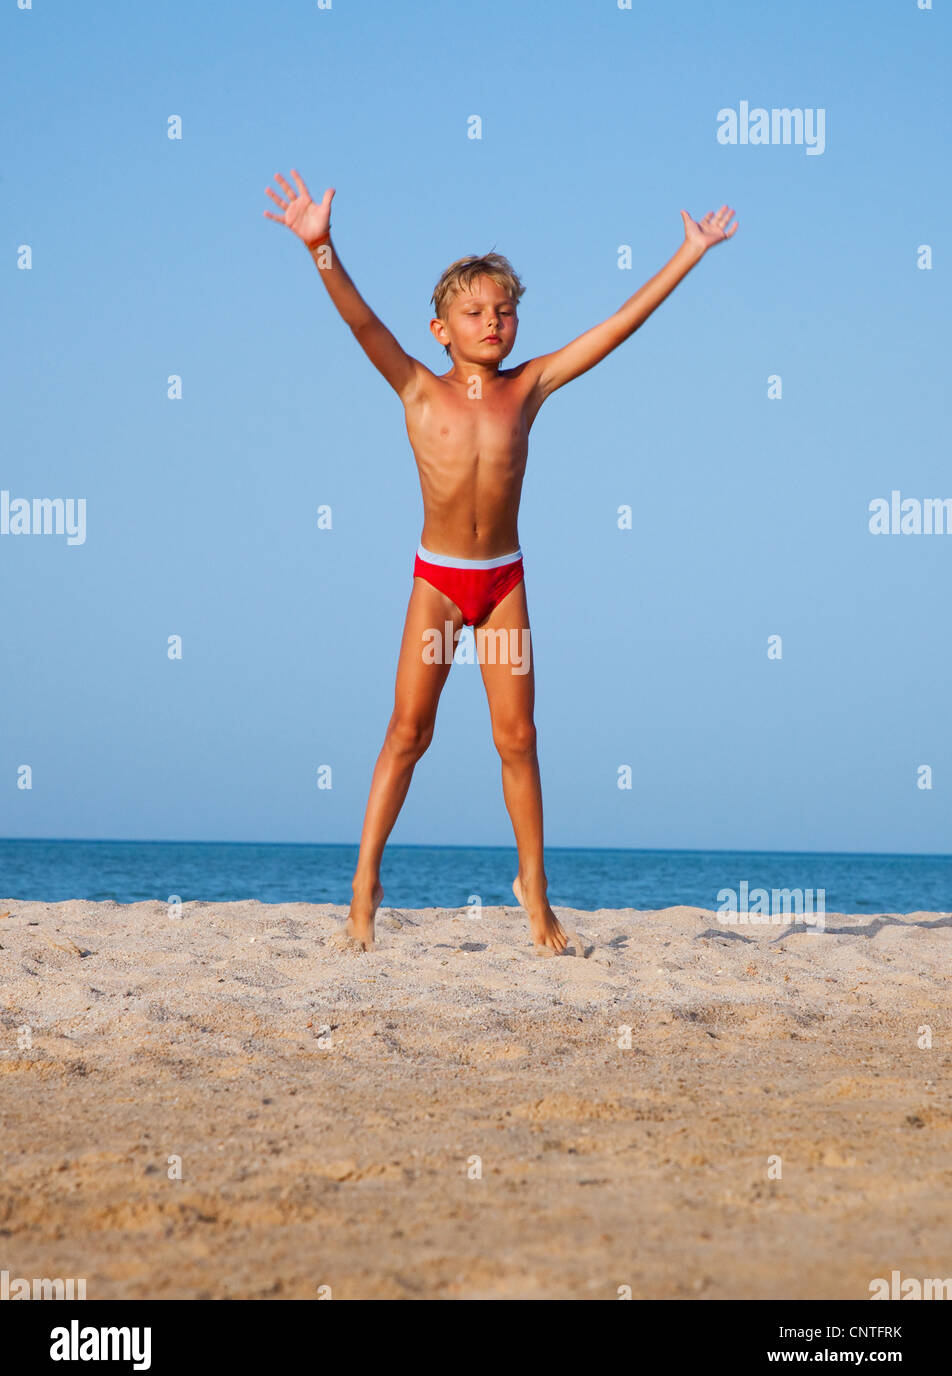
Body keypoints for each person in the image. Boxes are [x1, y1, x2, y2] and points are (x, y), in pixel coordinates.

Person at [264, 169, 737, 952]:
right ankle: (363, 884)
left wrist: (687, 253)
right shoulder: (416, 387)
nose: (493, 322)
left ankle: (535, 889)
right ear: (440, 328)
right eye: (475, 312)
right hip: (440, 585)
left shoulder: (530, 387)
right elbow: (360, 323)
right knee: (408, 732)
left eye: (505, 311)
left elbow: (617, 326)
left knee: (518, 739)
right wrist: (321, 247)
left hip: (503, 582)